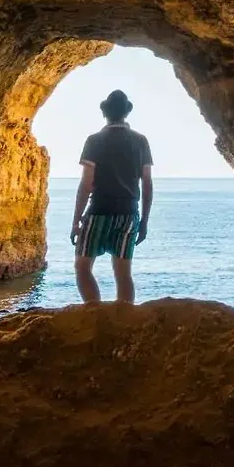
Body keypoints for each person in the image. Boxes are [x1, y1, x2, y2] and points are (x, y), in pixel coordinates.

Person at [72, 87, 154, 307]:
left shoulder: (95, 140)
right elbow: (147, 184)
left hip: (99, 210)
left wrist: (75, 220)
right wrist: (144, 221)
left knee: (82, 267)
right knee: (123, 273)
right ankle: (123, 320)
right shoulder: (140, 141)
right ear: (126, 113)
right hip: (129, 213)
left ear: (105, 113)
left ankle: (95, 313)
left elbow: (86, 184)